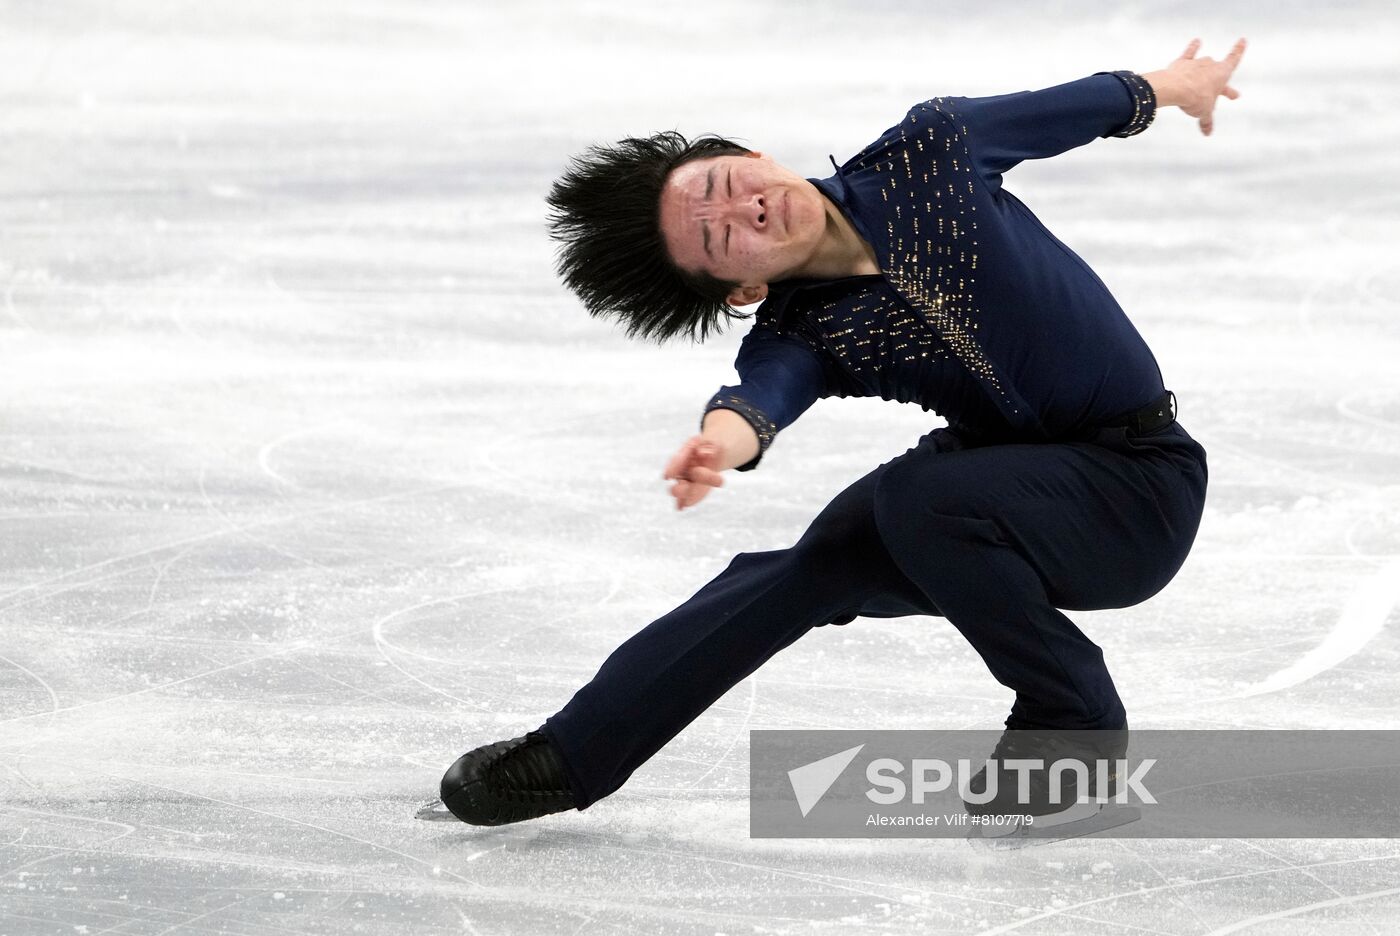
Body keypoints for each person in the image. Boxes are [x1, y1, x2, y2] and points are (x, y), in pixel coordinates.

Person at [434, 38, 1248, 827]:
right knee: (808, 569)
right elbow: (760, 397)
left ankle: (1072, 717)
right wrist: (722, 443)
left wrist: (1183, 83)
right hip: (1008, 487)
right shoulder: (805, 333)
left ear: (753, 152)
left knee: (921, 499)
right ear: (742, 290)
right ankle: (573, 756)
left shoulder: (931, 151)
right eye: (722, 236)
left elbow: (1085, 104)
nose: (749, 206)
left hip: (1137, 490)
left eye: (728, 181)